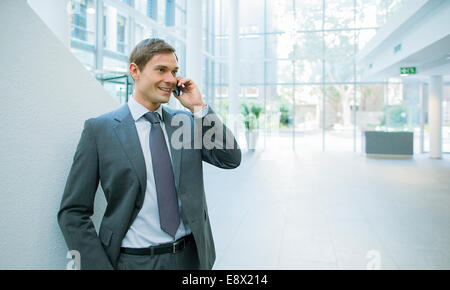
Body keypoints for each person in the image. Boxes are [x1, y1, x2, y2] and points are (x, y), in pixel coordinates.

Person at [57, 38, 241, 270]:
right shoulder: (100, 130)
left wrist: (199, 108)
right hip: (133, 261)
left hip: (191, 259)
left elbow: (230, 158)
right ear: (135, 70)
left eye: (174, 71)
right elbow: (73, 212)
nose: (170, 79)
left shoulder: (185, 123)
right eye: (161, 70)